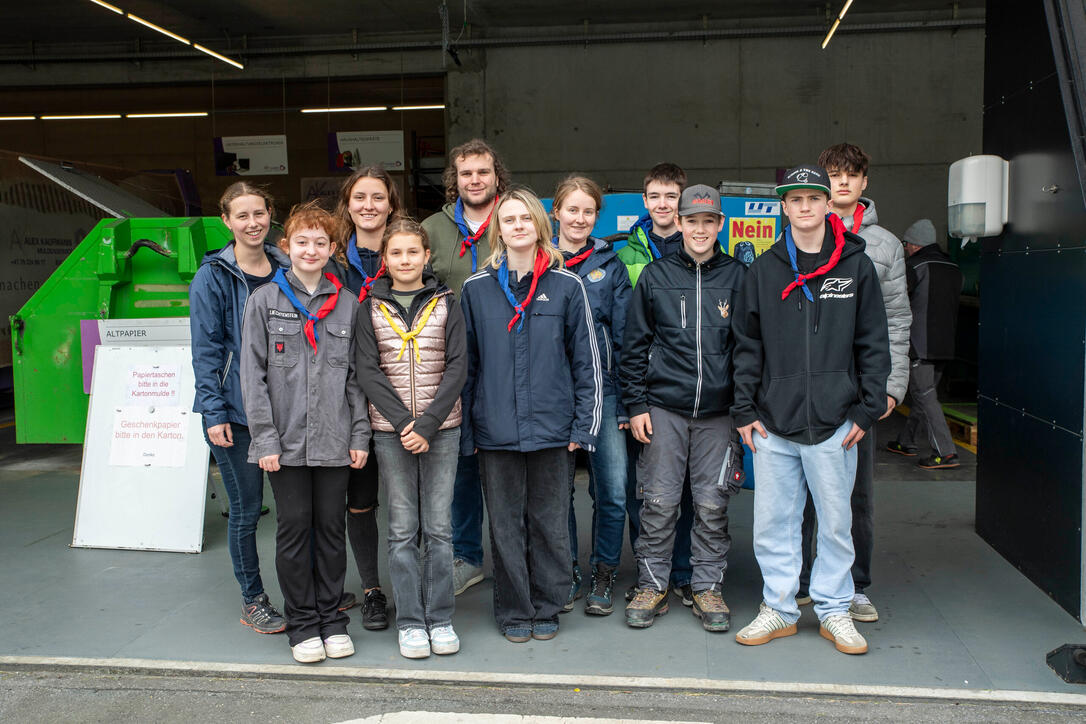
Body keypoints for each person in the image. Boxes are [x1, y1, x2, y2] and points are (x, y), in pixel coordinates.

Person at [732, 165, 890, 656]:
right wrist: (743, 409)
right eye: (794, 199)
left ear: (828, 204)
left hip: (835, 422)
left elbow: (873, 342)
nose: (804, 206)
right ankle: (779, 607)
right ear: (783, 207)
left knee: (837, 523)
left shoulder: (856, 267)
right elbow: (745, 345)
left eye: (812, 198)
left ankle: (834, 609)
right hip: (774, 421)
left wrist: (865, 411)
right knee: (774, 523)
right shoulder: (763, 270)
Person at [459, 186, 602, 643]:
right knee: (504, 525)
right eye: (508, 220)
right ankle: (514, 608)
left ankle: (547, 604)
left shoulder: (567, 286)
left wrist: (584, 427)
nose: (517, 226)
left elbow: (587, 362)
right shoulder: (476, 290)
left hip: (553, 430)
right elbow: (466, 367)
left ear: (540, 225)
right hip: (495, 431)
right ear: (498, 230)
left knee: (549, 523)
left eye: (526, 218)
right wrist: (468, 432)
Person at [240, 202, 370, 664]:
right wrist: (266, 442)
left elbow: (357, 379)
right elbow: (251, 378)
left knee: (332, 530)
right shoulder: (263, 302)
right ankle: (302, 625)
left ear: (333, 249)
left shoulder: (349, 306)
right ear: (286, 247)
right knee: (295, 530)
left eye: (320, 242)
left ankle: (332, 618)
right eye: (301, 241)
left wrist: (359, 437)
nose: (311, 249)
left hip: (336, 441)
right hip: (286, 445)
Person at [619, 184, 746, 632]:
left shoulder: (738, 277)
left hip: (719, 413)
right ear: (680, 222)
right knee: (658, 502)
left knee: (712, 505)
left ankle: (707, 585)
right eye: (691, 221)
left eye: (707, 222)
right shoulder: (655, 276)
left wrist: (744, 409)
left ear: (719, 225)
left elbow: (750, 351)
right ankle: (652, 584)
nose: (699, 229)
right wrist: (635, 404)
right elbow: (633, 346)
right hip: (664, 409)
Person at [796, 143, 912, 624]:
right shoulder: (801, 234)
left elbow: (898, 320)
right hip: (806, 388)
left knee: (856, 495)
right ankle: (805, 582)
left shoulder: (883, 245)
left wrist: (890, 388)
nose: (843, 182)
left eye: (852, 175)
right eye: (834, 174)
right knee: (804, 492)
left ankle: (855, 584)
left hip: (860, 390)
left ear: (865, 182)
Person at [353, 218, 468, 659]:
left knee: (439, 529)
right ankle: (410, 621)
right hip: (390, 432)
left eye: (412, 252)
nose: (405, 260)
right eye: (396, 253)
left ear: (426, 257)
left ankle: (440, 617)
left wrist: (429, 423)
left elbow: (458, 366)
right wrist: (405, 423)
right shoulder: (369, 307)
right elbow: (368, 370)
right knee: (402, 529)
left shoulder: (446, 303)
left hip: (443, 430)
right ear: (386, 260)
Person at [189, 182, 288, 637]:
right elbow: (206, 349)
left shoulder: (286, 267)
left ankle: (304, 593)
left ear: (271, 215)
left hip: (288, 411)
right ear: (226, 221)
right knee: (247, 511)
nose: (253, 223)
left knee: (295, 512)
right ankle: (254, 601)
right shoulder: (212, 276)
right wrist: (213, 412)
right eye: (242, 215)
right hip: (236, 411)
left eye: (260, 213)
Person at [421, 138, 511, 597]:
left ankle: (515, 556)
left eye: (483, 172)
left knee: (507, 461)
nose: (475, 180)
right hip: (449, 366)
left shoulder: (515, 219)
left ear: (497, 176)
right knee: (459, 463)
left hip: (508, 362)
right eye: (466, 174)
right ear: (453, 180)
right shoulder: (432, 229)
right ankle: (468, 556)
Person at [615, 162, 696, 607]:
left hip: (686, 392)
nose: (663, 204)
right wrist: (632, 398)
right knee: (639, 491)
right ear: (644, 202)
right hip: (641, 392)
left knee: (686, 489)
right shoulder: (624, 255)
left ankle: (683, 572)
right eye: (655, 196)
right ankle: (650, 575)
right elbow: (624, 333)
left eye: (672, 197)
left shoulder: (704, 251)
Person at [551, 176, 632, 616]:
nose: (579, 218)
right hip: (554, 398)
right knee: (557, 492)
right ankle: (566, 572)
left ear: (596, 217)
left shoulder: (611, 265)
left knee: (614, 490)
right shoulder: (540, 262)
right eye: (572, 209)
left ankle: (604, 571)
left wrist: (624, 398)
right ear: (556, 212)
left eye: (588, 211)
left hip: (605, 394)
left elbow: (624, 336)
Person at [331, 166, 403, 630]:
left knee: (406, 502)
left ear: (391, 205)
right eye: (360, 197)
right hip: (346, 400)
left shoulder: (405, 257)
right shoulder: (331, 262)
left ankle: (411, 590)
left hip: (399, 400)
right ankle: (373, 590)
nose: (369, 205)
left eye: (378, 197)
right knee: (360, 500)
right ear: (349, 203)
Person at [886, 218, 964, 469]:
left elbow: (896, 302)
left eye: (906, 244)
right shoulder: (954, 268)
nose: (906, 248)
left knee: (925, 396)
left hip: (920, 344)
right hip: (947, 344)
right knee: (925, 395)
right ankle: (905, 440)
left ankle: (946, 452)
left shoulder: (915, 266)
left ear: (916, 245)